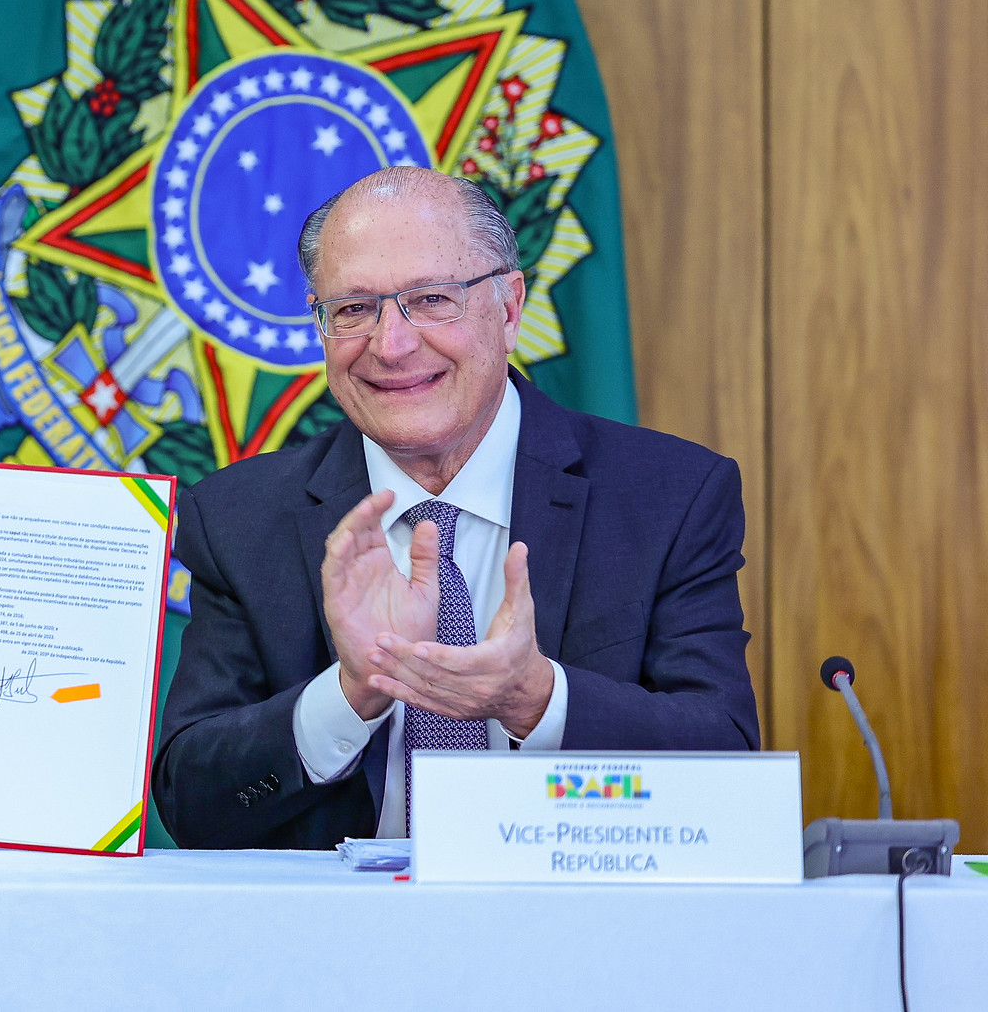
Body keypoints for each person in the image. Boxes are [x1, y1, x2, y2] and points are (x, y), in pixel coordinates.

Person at [151, 166, 759, 849]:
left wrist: (536, 699)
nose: (391, 345)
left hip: (573, 908)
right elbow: (191, 803)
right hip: (334, 917)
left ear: (510, 308)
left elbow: (727, 769)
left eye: (432, 299)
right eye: (353, 309)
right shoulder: (238, 517)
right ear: (320, 324)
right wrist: (350, 695)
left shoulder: (668, 496)